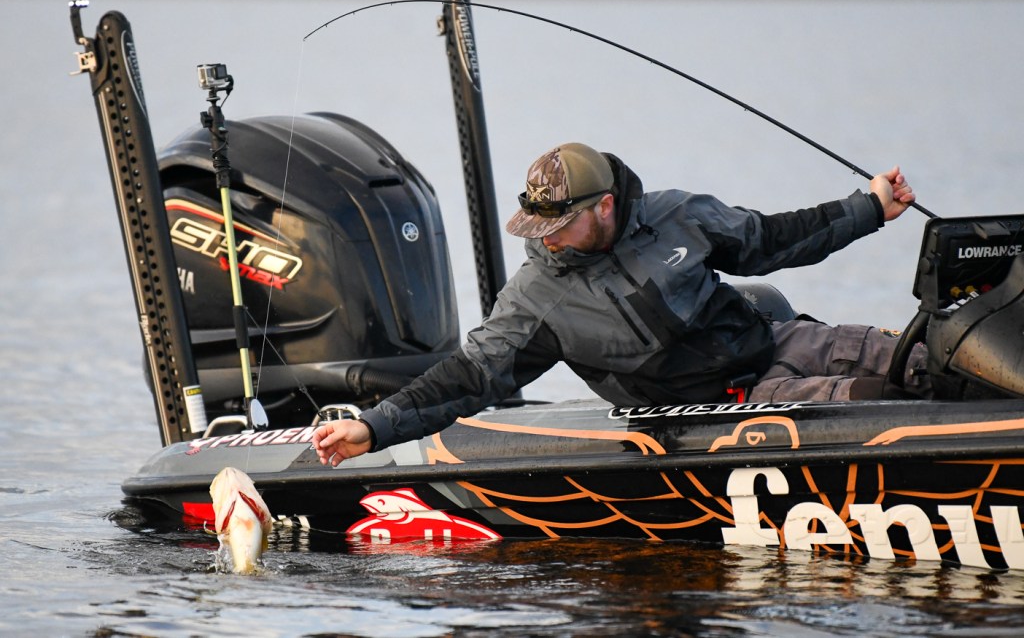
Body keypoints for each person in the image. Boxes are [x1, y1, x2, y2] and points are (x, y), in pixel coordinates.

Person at [313, 142, 928, 466]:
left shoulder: (675, 214)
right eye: (537, 228)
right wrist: (374, 425)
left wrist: (869, 208)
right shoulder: (535, 299)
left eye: (560, 225)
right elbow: (467, 377)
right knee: (893, 397)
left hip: (776, 339)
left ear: (605, 206)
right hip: (725, 405)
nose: (547, 240)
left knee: (923, 353)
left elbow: (771, 239)